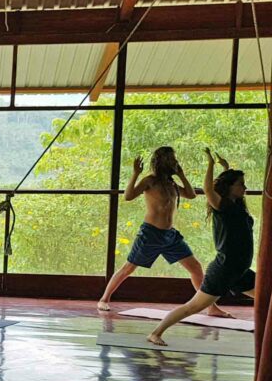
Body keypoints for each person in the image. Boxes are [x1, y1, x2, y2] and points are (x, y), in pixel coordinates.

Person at [97, 146, 232, 317]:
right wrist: (136, 174)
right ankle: (104, 298)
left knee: (196, 268)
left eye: (174, 159)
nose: (174, 162)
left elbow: (190, 195)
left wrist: (181, 175)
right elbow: (128, 196)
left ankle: (210, 307)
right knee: (128, 267)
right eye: (170, 159)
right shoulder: (150, 181)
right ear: (161, 161)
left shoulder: (172, 183)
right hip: (150, 234)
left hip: (170, 236)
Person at [148, 149, 255, 345]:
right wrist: (211, 165)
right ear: (230, 188)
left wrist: (225, 168)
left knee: (267, 295)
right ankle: (156, 333)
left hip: (240, 270)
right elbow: (208, 189)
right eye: (241, 184)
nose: (245, 187)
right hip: (223, 271)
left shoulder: (236, 205)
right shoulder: (222, 206)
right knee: (192, 307)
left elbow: (224, 184)